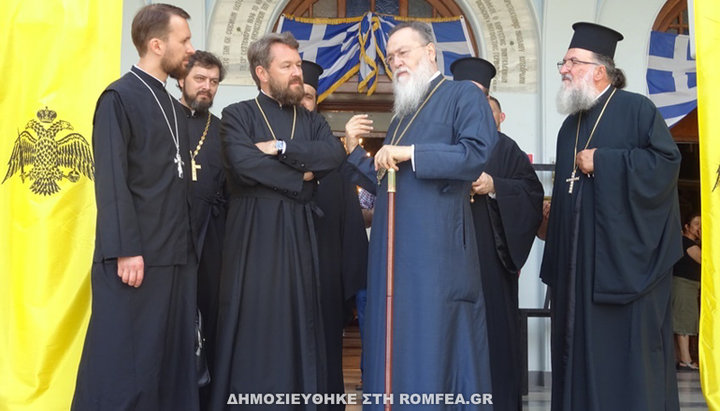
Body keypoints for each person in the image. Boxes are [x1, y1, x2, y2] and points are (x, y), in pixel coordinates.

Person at [343, 21, 498, 409]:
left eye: (404, 52)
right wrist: (354, 154)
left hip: (437, 249)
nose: (396, 62)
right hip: (394, 252)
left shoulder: (462, 95)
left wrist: (412, 153)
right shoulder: (402, 115)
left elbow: (475, 153)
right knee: (395, 337)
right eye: (390, 57)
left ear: (430, 52)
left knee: (431, 338)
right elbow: (390, 183)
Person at [540, 22, 682, 411]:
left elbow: (665, 165)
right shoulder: (572, 125)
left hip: (623, 272)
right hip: (576, 273)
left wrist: (603, 160)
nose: (563, 69)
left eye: (571, 62)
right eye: (563, 62)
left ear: (599, 70)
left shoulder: (637, 109)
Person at [208, 32, 345, 410]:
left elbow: (332, 155)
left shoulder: (312, 120)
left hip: (300, 231)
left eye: (298, 65)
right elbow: (243, 164)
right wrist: (303, 176)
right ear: (262, 73)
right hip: (252, 232)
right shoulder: (237, 115)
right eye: (287, 66)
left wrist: (282, 149)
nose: (297, 73)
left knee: (299, 318)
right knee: (254, 317)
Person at [72, 4, 198, 410]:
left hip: (172, 257)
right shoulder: (118, 97)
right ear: (157, 44)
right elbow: (111, 180)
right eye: (185, 41)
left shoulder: (172, 105)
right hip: (135, 258)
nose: (191, 49)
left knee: (164, 365)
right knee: (125, 367)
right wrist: (126, 248)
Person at [451, 57, 544, 411]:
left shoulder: (506, 150)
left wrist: (494, 186)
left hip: (489, 261)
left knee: (492, 338)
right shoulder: (439, 140)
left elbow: (531, 194)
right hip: (445, 259)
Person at [300, 59, 368, 408]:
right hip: (279, 277)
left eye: (309, 96)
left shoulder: (333, 155)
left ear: (316, 102)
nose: (302, 101)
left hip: (324, 278)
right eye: (297, 94)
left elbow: (351, 224)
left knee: (325, 355)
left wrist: (348, 286)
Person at [177, 50, 227, 405]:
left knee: (210, 325)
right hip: (169, 239)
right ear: (181, 79)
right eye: (200, 79)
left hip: (212, 242)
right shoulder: (164, 119)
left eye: (213, 82)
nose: (207, 87)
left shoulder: (223, 130)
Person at [672, 211, 701, 371]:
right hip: (683, 285)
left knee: (687, 321)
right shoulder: (687, 243)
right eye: (696, 224)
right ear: (687, 226)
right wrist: (705, 238)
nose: (699, 228)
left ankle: (684, 358)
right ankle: (685, 360)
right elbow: (705, 260)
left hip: (689, 286)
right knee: (684, 322)